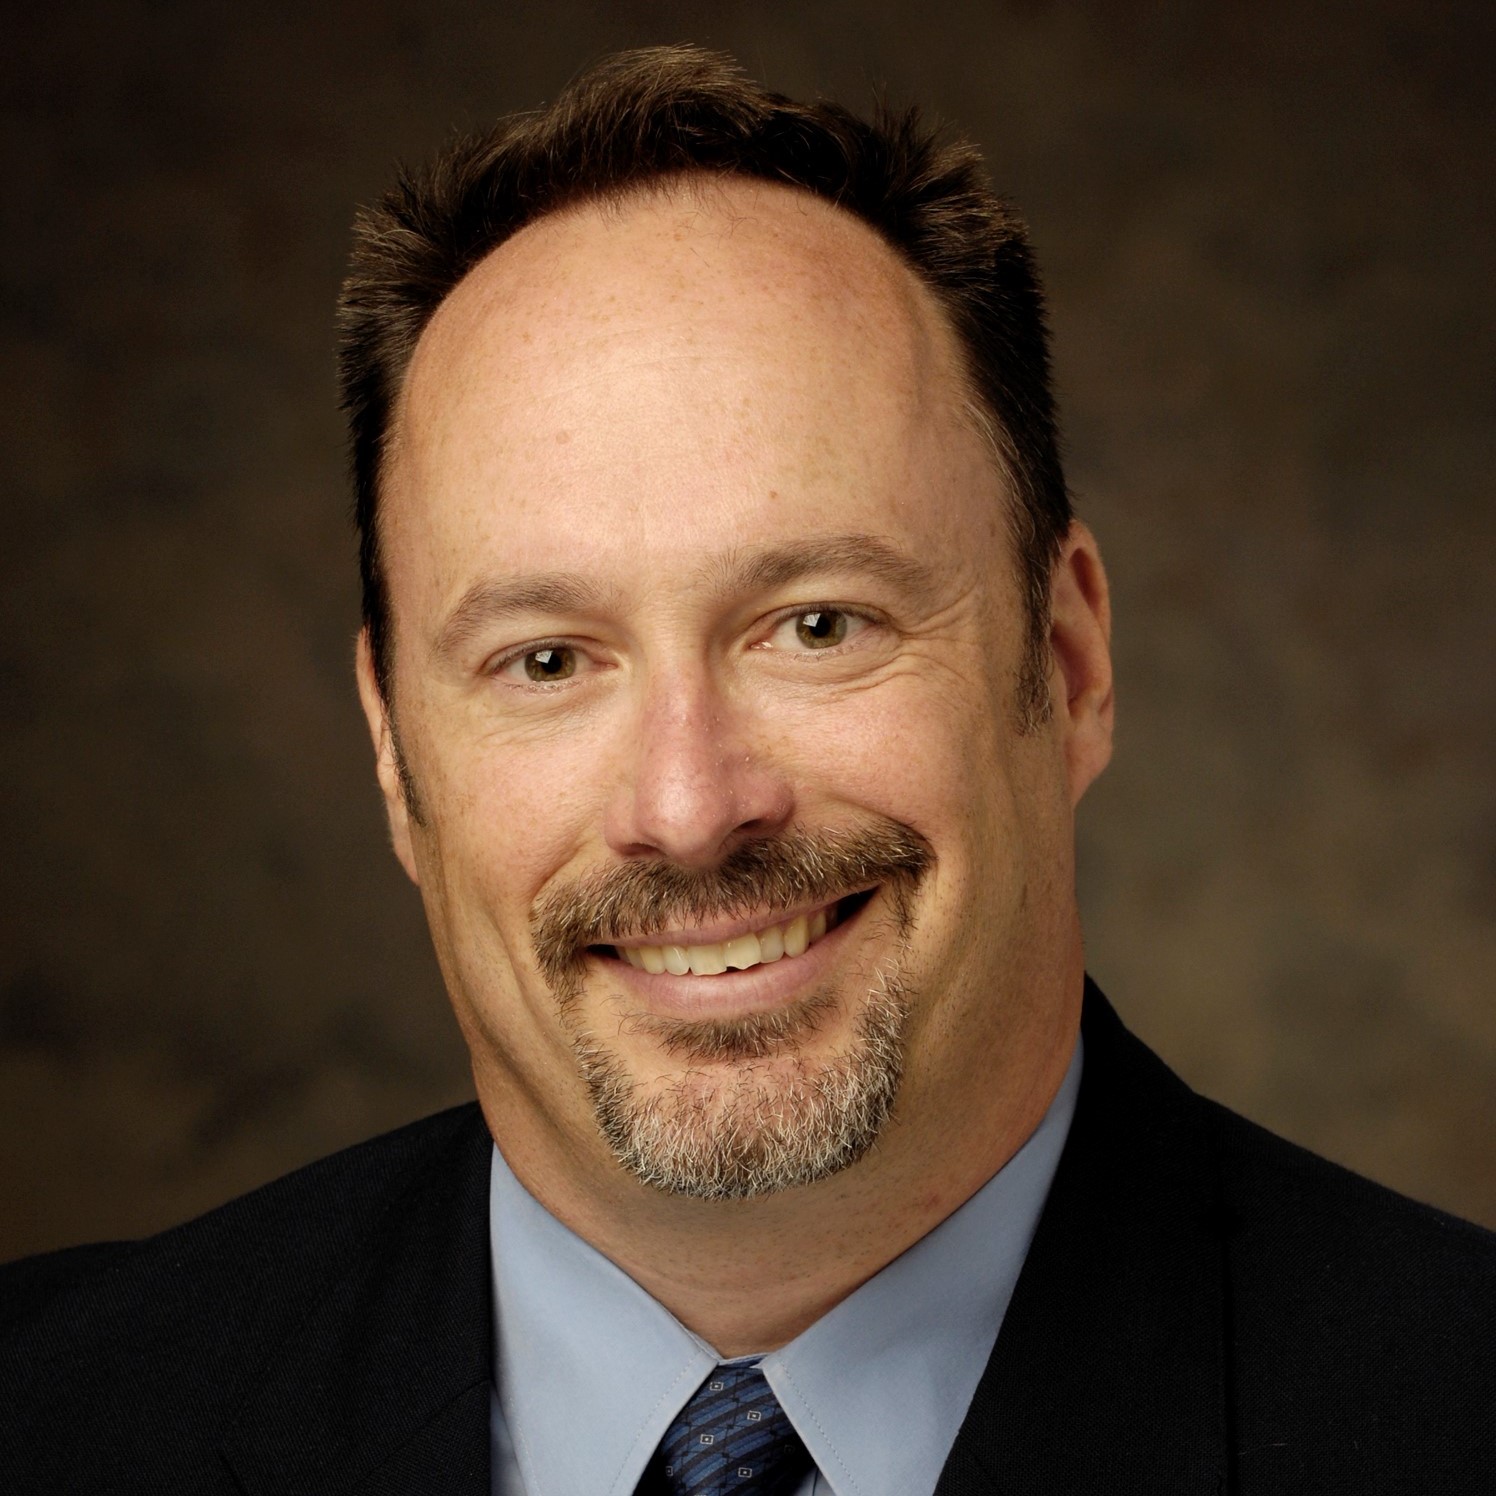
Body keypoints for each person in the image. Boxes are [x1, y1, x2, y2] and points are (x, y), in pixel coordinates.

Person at [2, 43, 1492, 1496]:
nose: (691, 808)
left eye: (818, 625)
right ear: (395, 752)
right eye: (547, 660)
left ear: (1069, 661)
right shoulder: (54, 1416)